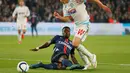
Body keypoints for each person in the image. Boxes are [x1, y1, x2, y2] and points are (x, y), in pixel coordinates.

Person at [53, 0, 112, 70]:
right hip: (77, 25)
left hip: (84, 24)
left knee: (74, 44)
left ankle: (91, 56)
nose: (60, 0)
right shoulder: (65, 6)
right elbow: (67, 18)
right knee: (77, 45)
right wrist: (60, 17)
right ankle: (87, 63)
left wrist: (101, 5)